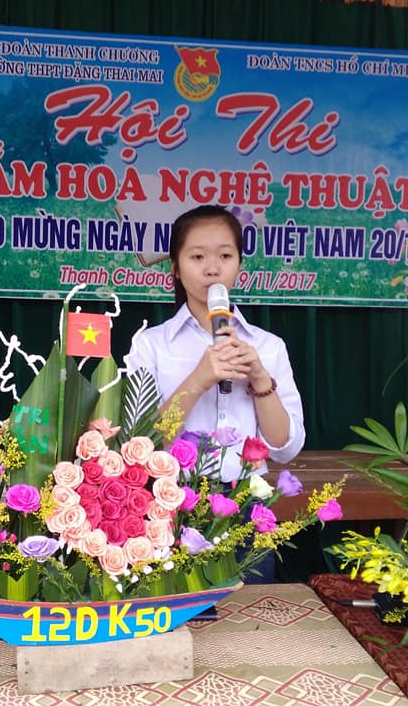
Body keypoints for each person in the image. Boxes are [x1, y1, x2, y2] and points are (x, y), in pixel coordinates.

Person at [126, 205, 306, 581]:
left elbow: (285, 447)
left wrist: (260, 379)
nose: (212, 268)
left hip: (247, 502)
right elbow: (139, 442)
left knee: (248, 614)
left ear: (239, 264)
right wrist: (199, 378)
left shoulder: (268, 346)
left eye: (225, 256)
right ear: (175, 268)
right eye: (197, 257)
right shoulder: (151, 345)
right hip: (172, 500)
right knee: (177, 609)